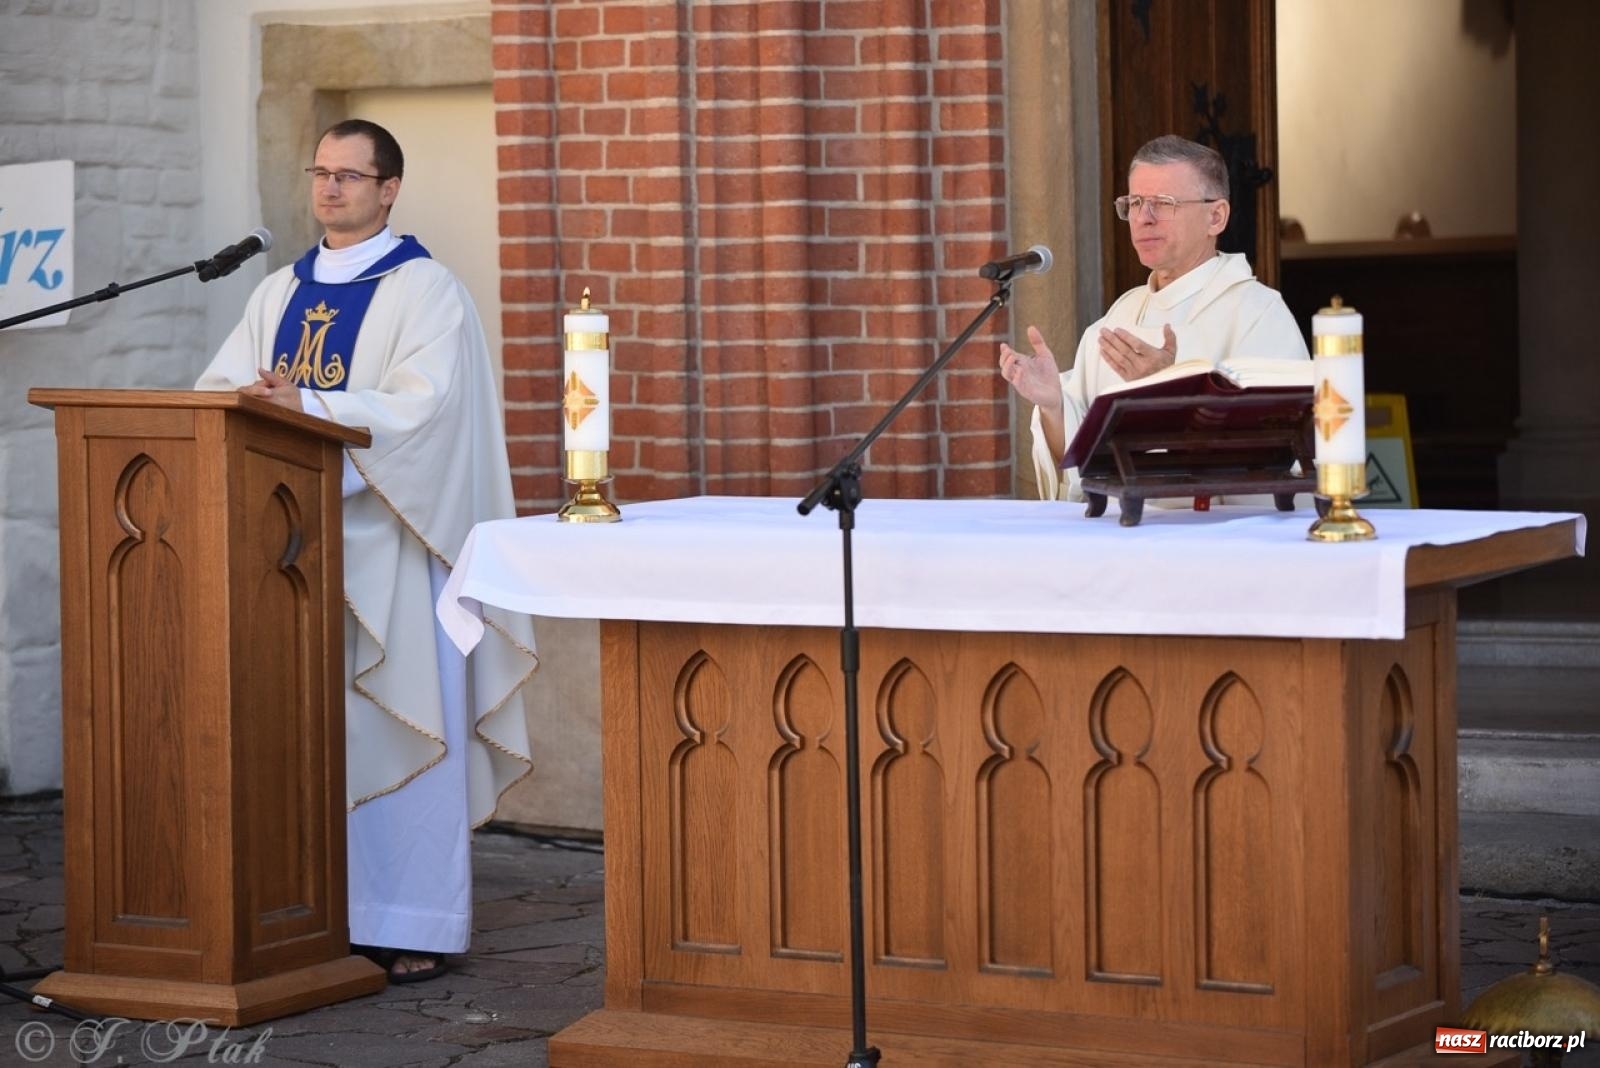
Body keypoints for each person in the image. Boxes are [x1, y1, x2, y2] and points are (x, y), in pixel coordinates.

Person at [196, 119, 535, 983]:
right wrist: (262, 399)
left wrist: (305, 401)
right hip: (287, 557)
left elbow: (429, 412)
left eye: (351, 175)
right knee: (309, 737)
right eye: (320, 171)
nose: (330, 188)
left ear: (389, 189)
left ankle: (414, 920)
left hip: (394, 546)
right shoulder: (274, 293)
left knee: (401, 721)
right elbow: (217, 397)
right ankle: (317, 916)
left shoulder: (427, 290)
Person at [998, 134, 1310, 502]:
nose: (1143, 219)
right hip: (1120, 542)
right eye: (1134, 203)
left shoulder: (1258, 314)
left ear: (1216, 216)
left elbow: (1276, 453)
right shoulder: (1120, 316)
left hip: (1208, 543)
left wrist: (1169, 392)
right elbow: (1084, 468)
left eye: (1163, 203)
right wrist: (1053, 406)